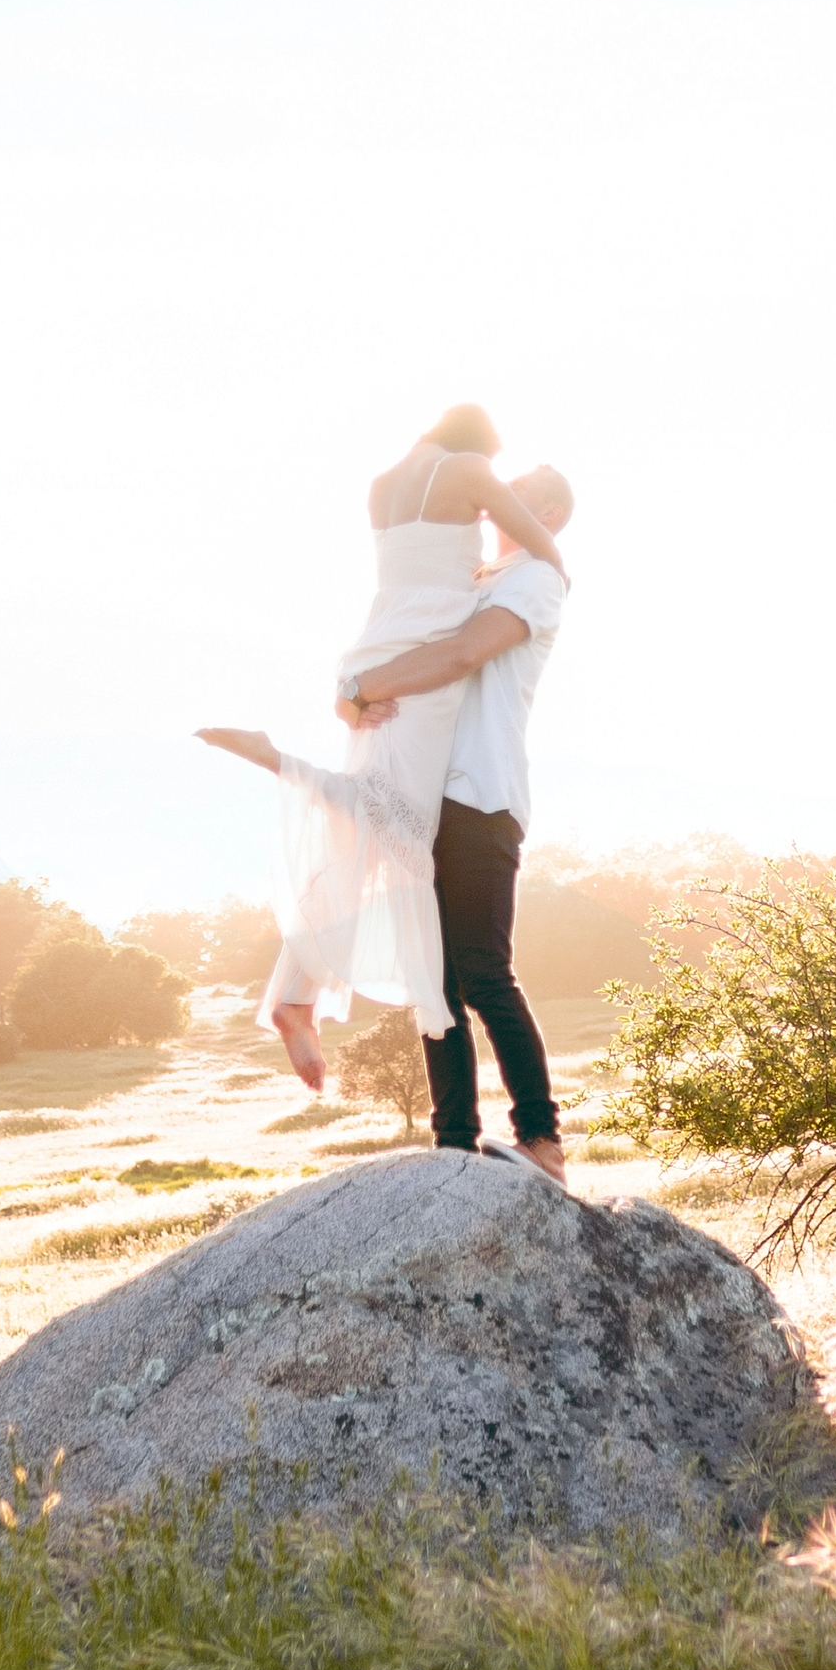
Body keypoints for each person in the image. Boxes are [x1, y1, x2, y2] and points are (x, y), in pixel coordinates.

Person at [198, 408, 567, 1092]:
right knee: (393, 825)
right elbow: (521, 581)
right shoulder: (472, 478)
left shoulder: (382, 484)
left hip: (380, 639)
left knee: (367, 817)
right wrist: (555, 557)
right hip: (417, 664)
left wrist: (355, 684)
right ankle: (278, 767)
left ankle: (297, 989)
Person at [332, 466, 573, 1179]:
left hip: (480, 795)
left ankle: (541, 1140)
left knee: (485, 975)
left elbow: (462, 654)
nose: (496, 497)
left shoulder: (537, 580)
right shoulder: (475, 578)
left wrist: (365, 686)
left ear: (551, 512)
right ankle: (453, 1146)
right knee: (432, 979)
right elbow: (399, 644)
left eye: (521, 491)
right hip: (425, 799)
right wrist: (350, 695)